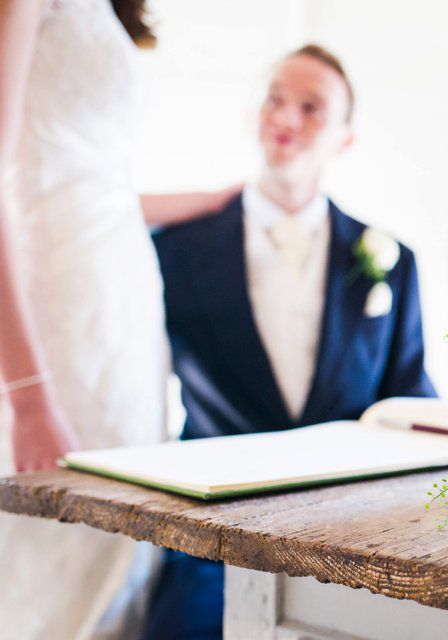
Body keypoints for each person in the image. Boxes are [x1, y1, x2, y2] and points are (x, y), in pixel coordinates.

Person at [141, 44, 436, 639]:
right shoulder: (174, 248)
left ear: (345, 138)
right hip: (207, 529)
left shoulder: (391, 260)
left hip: (349, 536)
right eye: (274, 99)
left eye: (311, 107)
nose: (286, 117)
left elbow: (410, 393)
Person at [0, 1, 238, 638]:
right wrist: (25, 394)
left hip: (122, 303)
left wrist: (214, 201)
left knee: (125, 532)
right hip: (56, 310)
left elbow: (93, 181)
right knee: (59, 544)